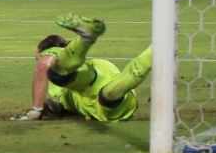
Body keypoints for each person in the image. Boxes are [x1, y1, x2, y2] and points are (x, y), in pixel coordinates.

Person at [11, 14, 152, 123]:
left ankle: (86, 38)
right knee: (109, 93)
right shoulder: (93, 65)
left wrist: (36, 109)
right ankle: (157, 47)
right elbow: (57, 107)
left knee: (61, 75)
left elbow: (44, 65)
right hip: (115, 102)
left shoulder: (54, 58)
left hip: (98, 96)